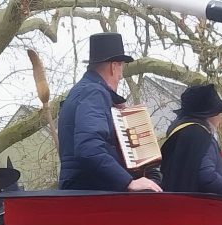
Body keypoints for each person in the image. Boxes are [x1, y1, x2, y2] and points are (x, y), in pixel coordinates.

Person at [57, 32, 161, 192]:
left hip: (80, 189)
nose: (120, 77)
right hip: (91, 191)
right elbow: (89, 148)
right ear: (114, 66)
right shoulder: (95, 92)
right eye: (121, 69)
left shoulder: (81, 91)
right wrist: (128, 182)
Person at [160, 83, 222, 196]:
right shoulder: (201, 136)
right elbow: (207, 178)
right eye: (220, 112)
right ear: (211, 114)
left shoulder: (180, 134)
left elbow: (190, 178)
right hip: (197, 205)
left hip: (175, 203)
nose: (221, 117)